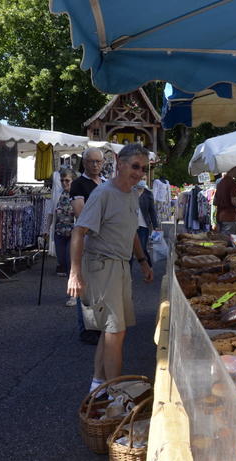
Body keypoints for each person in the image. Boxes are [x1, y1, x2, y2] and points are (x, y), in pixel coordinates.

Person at [67, 144, 154, 393]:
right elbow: (79, 231)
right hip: (102, 267)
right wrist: (74, 273)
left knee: (111, 330)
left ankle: (99, 385)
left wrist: (143, 261)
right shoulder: (103, 193)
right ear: (119, 162)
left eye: (143, 168)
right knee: (116, 331)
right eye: (135, 166)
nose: (139, 173)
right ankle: (114, 393)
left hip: (120, 267)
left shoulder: (131, 194)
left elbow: (132, 233)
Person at [69, 147, 107, 344]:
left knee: (102, 285)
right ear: (84, 163)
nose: (95, 165)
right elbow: (81, 214)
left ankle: (100, 324)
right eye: (91, 161)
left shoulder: (107, 183)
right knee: (84, 287)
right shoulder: (78, 184)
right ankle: (86, 328)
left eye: (98, 162)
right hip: (87, 240)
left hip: (105, 242)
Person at [45, 167, 78, 306]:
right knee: (63, 262)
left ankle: (74, 295)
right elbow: (51, 213)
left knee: (72, 265)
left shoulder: (78, 195)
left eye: (67, 180)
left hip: (74, 234)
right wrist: (46, 230)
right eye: (62, 180)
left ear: (73, 181)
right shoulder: (58, 194)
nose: (65, 183)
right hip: (59, 232)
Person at [133, 175, 159, 270]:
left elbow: (152, 211)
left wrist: (155, 225)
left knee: (142, 248)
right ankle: (128, 275)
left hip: (143, 225)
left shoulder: (148, 194)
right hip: (130, 225)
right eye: (140, 179)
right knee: (130, 251)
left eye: (144, 179)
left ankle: (149, 267)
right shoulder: (130, 191)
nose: (142, 181)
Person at [213, 166, 236, 236]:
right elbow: (233, 201)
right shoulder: (233, 182)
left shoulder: (220, 183)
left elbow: (215, 202)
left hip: (219, 216)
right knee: (228, 242)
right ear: (232, 169)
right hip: (229, 217)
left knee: (221, 242)